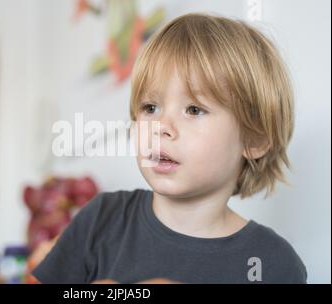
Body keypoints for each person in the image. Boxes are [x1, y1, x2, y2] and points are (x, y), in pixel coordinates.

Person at [31, 13, 307, 284]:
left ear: (254, 139)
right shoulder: (101, 219)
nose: (161, 126)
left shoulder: (274, 263)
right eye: (150, 108)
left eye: (194, 109)